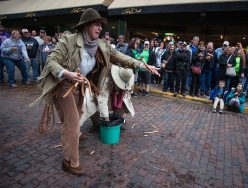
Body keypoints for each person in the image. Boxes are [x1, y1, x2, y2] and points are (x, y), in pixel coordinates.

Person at [30, 8, 159, 176]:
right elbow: (51, 61)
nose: (100, 28)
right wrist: (66, 73)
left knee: (76, 118)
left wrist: (143, 66)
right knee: (73, 123)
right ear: (85, 26)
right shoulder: (68, 41)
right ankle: (70, 161)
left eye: (101, 25)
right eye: (96, 25)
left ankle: (72, 136)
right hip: (62, 84)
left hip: (79, 86)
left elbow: (122, 57)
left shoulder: (102, 45)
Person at [98, 64, 135, 130]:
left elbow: (129, 91)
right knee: (95, 106)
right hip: (108, 90)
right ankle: (97, 124)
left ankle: (116, 122)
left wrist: (126, 90)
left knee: (123, 105)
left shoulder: (128, 75)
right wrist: (106, 118)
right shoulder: (106, 78)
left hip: (118, 93)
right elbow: (102, 98)